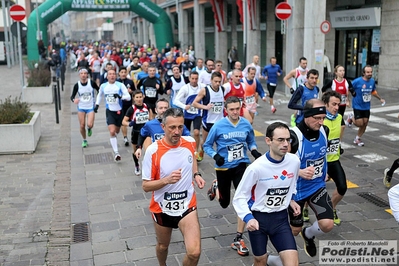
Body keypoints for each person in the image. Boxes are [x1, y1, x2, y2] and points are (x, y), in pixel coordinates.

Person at [141, 108, 205, 266]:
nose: (177, 131)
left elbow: (192, 159)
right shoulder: (153, 151)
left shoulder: (190, 142)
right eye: (172, 127)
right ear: (163, 127)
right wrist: (166, 180)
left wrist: (196, 174)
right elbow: (146, 186)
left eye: (180, 127)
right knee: (163, 246)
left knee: (194, 252)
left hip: (187, 206)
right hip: (162, 208)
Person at [232, 122, 301, 266]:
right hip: (259, 220)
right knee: (260, 260)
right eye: (280, 140)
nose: (286, 144)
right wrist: (248, 218)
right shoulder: (256, 168)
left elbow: (292, 183)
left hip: (280, 219)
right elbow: (239, 197)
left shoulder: (294, 161)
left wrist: (291, 199)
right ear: (268, 141)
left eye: (288, 140)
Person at [203, 96, 262, 257]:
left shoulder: (245, 124)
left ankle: (238, 237)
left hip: (241, 166)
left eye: (237, 109)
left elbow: (251, 141)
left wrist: (254, 150)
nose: (235, 112)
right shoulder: (218, 126)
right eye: (232, 109)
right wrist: (215, 156)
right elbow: (206, 145)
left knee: (242, 200)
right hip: (223, 168)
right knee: (224, 203)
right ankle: (216, 187)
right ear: (226, 110)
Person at [288, 99, 334, 258]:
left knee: (328, 224)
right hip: (296, 193)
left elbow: (323, 155)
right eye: (317, 118)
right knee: (294, 231)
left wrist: (325, 171)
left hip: (316, 186)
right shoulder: (293, 137)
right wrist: (299, 172)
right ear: (306, 115)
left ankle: (309, 234)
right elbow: (279, 165)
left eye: (323, 117)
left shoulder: (324, 130)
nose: (321, 122)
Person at [322, 91, 347, 226]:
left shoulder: (339, 118)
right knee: (313, 190)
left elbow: (341, 130)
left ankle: (331, 208)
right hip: (320, 162)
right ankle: (306, 210)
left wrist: (339, 145)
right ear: (326, 104)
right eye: (333, 104)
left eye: (338, 104)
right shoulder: (320, 119)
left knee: (342, 187)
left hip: (334, 160)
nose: (336, 107)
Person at [94, 69, 131, 161]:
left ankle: (115, 136)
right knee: (112, 131)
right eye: (110, 74)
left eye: (114, 74)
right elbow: (99, 95)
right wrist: (97, 105)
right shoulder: (103, 86)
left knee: (117, 131)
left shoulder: (120, 85)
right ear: (107, 76)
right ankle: (116, 152)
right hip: (110, 111)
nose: (112, 76)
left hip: (119, 111)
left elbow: (128, 97)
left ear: (116, 76)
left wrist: (120, 97)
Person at [346, 65, 385, 146]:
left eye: (371, 72)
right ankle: (351, 117)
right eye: (368, 72)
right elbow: (349, 89)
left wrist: (380, 99)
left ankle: (357, 138)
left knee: (365, 123)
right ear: (363, 73)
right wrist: (347, 99)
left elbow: (373, 91)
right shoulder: (357, 81)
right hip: (357, 105)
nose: (370, 73)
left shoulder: (372, 81)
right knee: (359, 123)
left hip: (366, 106)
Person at [191, 71, 225, 162]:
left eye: (219, 81)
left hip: (220, 121)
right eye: (215, 81)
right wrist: (205, 107)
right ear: (211, 80)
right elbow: (194, 103)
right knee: (205, 142)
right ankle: (201, 151)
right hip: (208, 121)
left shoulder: (223, 89)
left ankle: (221, 157)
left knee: (221, 141)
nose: (217, 84)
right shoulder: (205, 90)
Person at [322, 65, 355, 151]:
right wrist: (326, 99)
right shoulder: (332, 82)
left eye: (343, 71)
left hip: (343, 106)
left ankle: (335, 141)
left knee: (339, 124)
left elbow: (351, 90)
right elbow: (323, 89)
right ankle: (338, 142)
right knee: (342, 126)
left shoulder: (347, 81)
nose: (342, 72)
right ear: (336, 72)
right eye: (340, 71)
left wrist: (350, 98)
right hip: (335, 107)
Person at [174, 71, 203, 161]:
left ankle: (196, 151)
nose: (194, 81)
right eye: (192, 78)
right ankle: (184, 150)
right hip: (187, 114)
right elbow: (176, 100)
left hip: (198, 113)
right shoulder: (185, 88)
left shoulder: (202, 87)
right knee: (184, 134)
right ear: (189, 78)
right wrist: (184, 106)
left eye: (196, 79)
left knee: (196, 132)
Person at [122, 90, 150, 175]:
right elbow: (123, 121)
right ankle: (137, 164)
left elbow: (151, 117)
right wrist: (130, 123)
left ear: (143, 97)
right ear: (133, 98)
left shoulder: (146, 106)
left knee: (148, 150)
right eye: (137, 97)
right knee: (136, 151)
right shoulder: (131, 109)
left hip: (146, 132)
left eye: (140, 97)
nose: (139, 99)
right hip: (136, 133)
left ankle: (148, 167)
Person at [70, 68, 100, 148]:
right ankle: (84, 140)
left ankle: (89, 128)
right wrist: (74, 100)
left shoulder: (91, 83)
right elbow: (72, 96)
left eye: (85, 73)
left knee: (90, 124)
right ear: (79, 75)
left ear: (87, 75)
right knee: (82, 125)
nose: (83, 75)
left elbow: (99, 90)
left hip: (90, 106)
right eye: (81, 73)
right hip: (81, 107)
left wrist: (97, 102)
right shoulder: (77, 85)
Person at [284, 57, 309, 126]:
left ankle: (298, 118)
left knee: (302, 106)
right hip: (296, 92)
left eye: (306, 63)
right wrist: (291, 88)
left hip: (304, 92)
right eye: (303, 63)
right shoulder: (295, 71)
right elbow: (285, 79)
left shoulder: (308, 72)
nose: (305, 65)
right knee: (298, 106)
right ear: (300, 63)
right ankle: (294, 118)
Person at [117, 67, 136, 146]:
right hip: (119, 105)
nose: (123, 74)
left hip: (129, 105)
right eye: (122, 72)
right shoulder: (116, 82)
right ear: (119, 73)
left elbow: (135, 92)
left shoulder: (130, 82)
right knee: (123, 122)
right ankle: (125, 137)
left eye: (125, 72)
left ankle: (134, 135)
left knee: (133, 121)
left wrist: (131, 92)